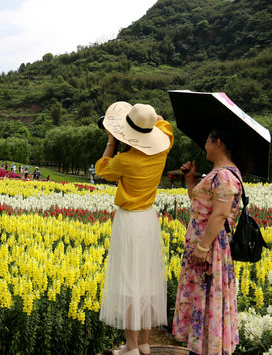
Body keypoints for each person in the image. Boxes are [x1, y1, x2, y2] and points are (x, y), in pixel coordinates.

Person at [95, 102, 173, 355]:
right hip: (148, 221)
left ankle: (130, 346)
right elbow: (163, 123)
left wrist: (111, 141)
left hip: (129, 222)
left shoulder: (125, 160)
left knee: (130, 284)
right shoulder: (163, 148)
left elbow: (101, 170)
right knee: (148, 282)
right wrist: (147, 123)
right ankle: (145, 344)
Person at [172, 127, 245, 355]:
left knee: (207, 294)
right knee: (201, 297)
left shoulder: (224, 175)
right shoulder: (219, 172)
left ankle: (209, 349)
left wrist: (203, 247)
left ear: (217, 143)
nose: (204, 145)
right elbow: (200, 203)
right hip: (204, 245)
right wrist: (190, 178)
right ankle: (201, 347)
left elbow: (220, 214)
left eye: (207, 140)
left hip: (210, 248)